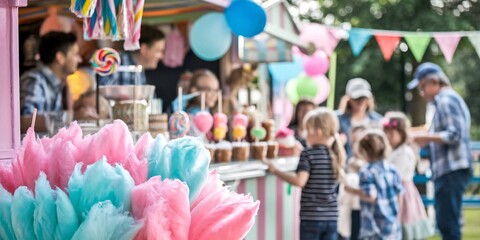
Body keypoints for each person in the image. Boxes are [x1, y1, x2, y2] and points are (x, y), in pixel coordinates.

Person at [408, 62, 472, 240]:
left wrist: (426, 138)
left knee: (447, 223)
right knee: (447, 222)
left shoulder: (446, 99)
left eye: (423, 87)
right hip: (447, 169)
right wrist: (427, 140)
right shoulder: (441, 102)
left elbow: (455, 135)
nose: (422, 93)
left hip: (452, 169)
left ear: (434, 82)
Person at [265, 107, 346, 240]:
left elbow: (300, 181)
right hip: (332, 218)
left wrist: (276, 171)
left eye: (308, 131)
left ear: (318, 132)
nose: (305, 135)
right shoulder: (335, 155)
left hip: (312, 218)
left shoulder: (308, 154)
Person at [383, 112, 434, 239]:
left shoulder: (405, 152)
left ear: (401, 133)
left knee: (403, 227)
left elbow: (395, 175)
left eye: (392, 133)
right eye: (386, 132)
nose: (388, 136)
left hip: (403, 195)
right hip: (392, 193)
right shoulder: (390, 151)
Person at [345, 129, 403, 240]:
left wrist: (352, 190)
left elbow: (370, 195)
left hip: (373, 228)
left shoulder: (366, 171)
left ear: (363, 151)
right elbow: (400, 194)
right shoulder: (391, 169)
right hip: (392, 226)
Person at [20, 32, 82, 131]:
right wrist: (71, 117)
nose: (80, 59)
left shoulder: (60, 83)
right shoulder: (34, 80)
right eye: (76, 54)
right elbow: (24, 123)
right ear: (60, 57)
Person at [98, 25, 165, 86]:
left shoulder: (139, 70)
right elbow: (102, 94)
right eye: (158, 51)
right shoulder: (118, 64)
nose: (162, 56)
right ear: (144, 49)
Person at [337, 78, 382, 159]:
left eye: (364, 98)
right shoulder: (337, 119)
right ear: (349, 99)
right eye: (357, 98)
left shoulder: (378, 120)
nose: (360, 102)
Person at [338, 124, 366, 240]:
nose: (355, 146)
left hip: (362, 209)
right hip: (350, 209)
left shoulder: (368, 165)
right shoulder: (351, 161)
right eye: (353, 142)